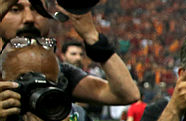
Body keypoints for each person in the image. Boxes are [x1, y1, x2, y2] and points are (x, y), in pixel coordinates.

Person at [0, 0, 139, 106]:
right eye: (15, 10)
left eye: (37, 9)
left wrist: (91, 36)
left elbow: (127, 94)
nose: (29, 18)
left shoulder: (59, 75)